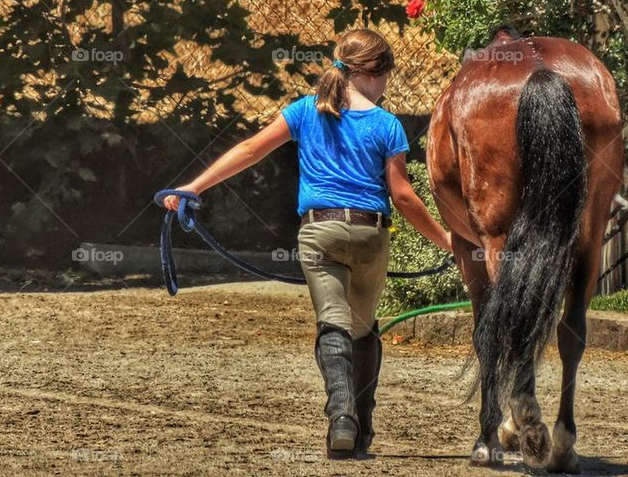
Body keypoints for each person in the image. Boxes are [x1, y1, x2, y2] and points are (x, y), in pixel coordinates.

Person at [163, 28, 454, 459]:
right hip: (371, 232)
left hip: (319, 232)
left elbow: (248, 149)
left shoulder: (304, 111)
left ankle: (341, 418)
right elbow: (404, 196)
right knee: (363, 327)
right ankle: (364, 427)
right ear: (374, 74)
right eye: (386, 77)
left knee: (331, 323)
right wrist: (446, 240)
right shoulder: (388, 125)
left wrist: (194, 186)